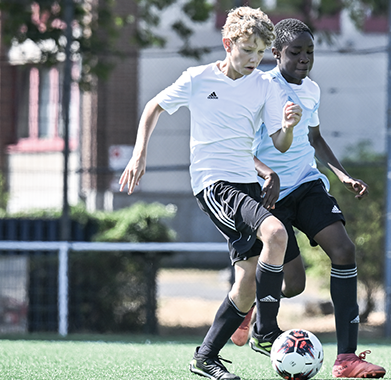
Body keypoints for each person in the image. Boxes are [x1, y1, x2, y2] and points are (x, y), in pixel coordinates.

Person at [118, 7, 302, 380]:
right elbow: (154, 106)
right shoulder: (197, 79)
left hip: (247, 185)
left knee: (248, 278)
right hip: (213, 184)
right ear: (227, 43)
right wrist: (139, 154)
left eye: (261, 52)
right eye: (247, 49)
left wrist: (288, 127)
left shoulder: (264, 85)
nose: (254, 59)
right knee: (276, 233)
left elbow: (280, 145)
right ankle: (266, 333)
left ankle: (205, 357)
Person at [230, 18, 386, 378]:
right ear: (276, 53)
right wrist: (264, 174)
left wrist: (341, 174)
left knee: (344, 250)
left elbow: (314, 139)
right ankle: (253, 309)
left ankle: (347, 359)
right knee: (294, 284)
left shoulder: (312, 90)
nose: (304, 58)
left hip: (307, 184)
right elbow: (239, 145)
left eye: (310, 52)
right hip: (269, 194)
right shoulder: (260, 88)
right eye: (295, 52)